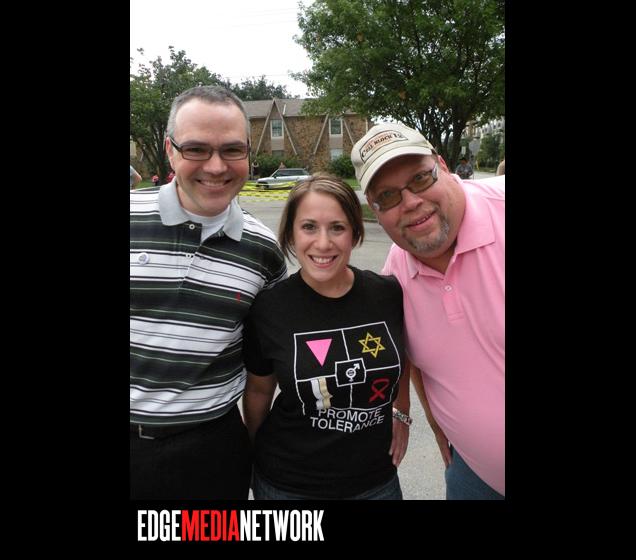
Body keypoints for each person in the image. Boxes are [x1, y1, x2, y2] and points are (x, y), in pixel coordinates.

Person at [130, 85, 287, 500]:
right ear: (170, 151)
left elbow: (264, 361)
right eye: (197, 149)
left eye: (232, 150)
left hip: (213, 452)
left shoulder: (264, 251)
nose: (216, 167)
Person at [351, 123, 504, 500]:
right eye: (388, 196)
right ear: (374, 209)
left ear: (443, 166)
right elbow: (408, 350)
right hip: (474, 474)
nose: (410, 202)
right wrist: (425, 417)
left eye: (420, 178)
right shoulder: (396, 270)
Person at [242, 174, 411, 500]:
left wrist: (401, 413)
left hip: (376, 481)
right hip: (288, 487)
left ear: (355, 233)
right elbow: (259, 391)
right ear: (290, 234)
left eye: (337, 227)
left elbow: (401, 359)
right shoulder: (268, 308)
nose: (323, 243)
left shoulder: (388, 293)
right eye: (309, 227)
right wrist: (252, 454)